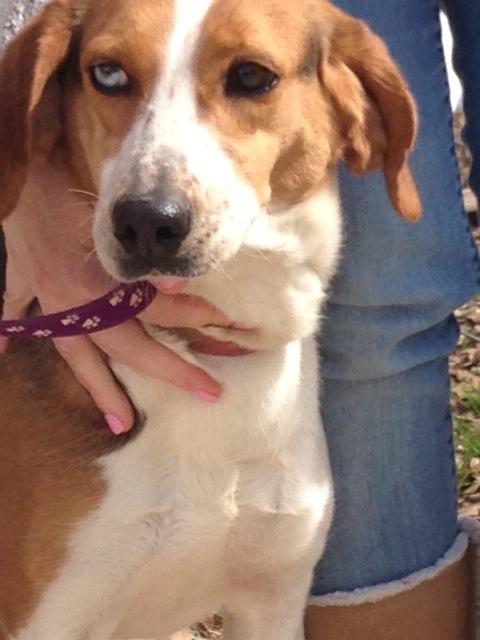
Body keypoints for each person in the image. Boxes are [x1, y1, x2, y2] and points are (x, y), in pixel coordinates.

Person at [1, 1, 479, 638]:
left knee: (386, 313)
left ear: (357, 111)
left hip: (271, 379)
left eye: (249, 80)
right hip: (76, 385)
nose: (155, 195)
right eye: (113, 76)